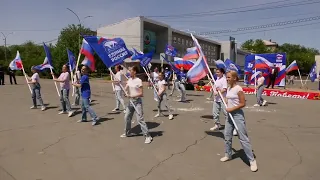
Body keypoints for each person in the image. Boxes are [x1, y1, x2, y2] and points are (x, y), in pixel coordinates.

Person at [220, 70, 258, 172]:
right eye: (227, 77)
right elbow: (229, 100)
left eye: (229, 77)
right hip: (229, 116)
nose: (227, 79)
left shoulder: (238, 89)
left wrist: (231, 109)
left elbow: (242, 103)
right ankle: (228, 155)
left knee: (243, 138)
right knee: (227, 135)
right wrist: (225, 101)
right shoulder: (229, 88)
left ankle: (252, 160)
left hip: (237, 116)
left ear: (234, 78)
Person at [121, 66, 153, 144]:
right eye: (129, 70)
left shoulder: (138, 81)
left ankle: (148, 136)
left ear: (134, 72)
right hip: (130, 102)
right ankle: (127, 132)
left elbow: (141, 94)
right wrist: (124, 90)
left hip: (137, 102)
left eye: (130, 70)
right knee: (127, 117)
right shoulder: (129, 80)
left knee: (140, 119)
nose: (129, 72)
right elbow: (126, 88)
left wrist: (131, 96)